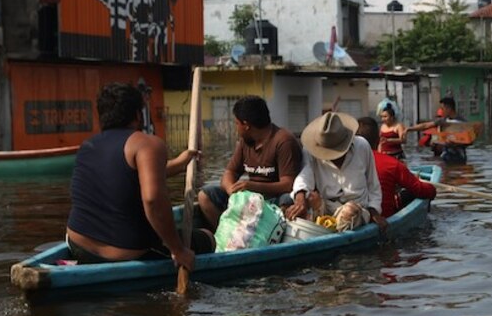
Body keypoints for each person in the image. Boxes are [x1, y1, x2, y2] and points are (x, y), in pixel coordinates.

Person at [66, 83, 211, 268]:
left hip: (78, 245)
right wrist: (178, 250)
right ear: (137, 115)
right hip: (126, 254)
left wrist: (181, 163)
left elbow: (131, 176)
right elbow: (152, 200)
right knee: (207, 237)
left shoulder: (87, 146)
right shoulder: (148, 144)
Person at [197, 96, 303, 231]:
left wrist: (252, 186)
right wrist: (232, 191)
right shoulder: (245, 142)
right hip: (250, 198)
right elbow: (230, 172)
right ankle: (226, 235)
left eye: (236, 123)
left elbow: (288, 184)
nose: (236, 128)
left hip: (273, 200)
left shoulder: (283, 141)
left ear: (246, 125)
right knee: (205, 196)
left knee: (287, 200)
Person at [285, 112, 385, 233]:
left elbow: (373, 185)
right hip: (326, 206)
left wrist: (374, 211)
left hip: (357, 209)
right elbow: (305, 175)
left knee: (349, 212)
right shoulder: (310, 151)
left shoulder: (362, 146)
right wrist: (300, 197)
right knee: (308, 199)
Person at [356, 116, 436, 217]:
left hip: (356, 216)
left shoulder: (345, 163)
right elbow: (421, 189)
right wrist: (432, 189)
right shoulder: (392, 164)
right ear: (379, 139)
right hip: (384, 216)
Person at [407, 97, 469, 164]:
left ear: (449, 108)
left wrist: (455, 143)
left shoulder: (463, 123)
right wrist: (409, 129)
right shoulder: (443, 121)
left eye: (443, 109)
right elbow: (426, 125)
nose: (442, 111)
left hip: (459, 156)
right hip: (446, 155)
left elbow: (469, 141)